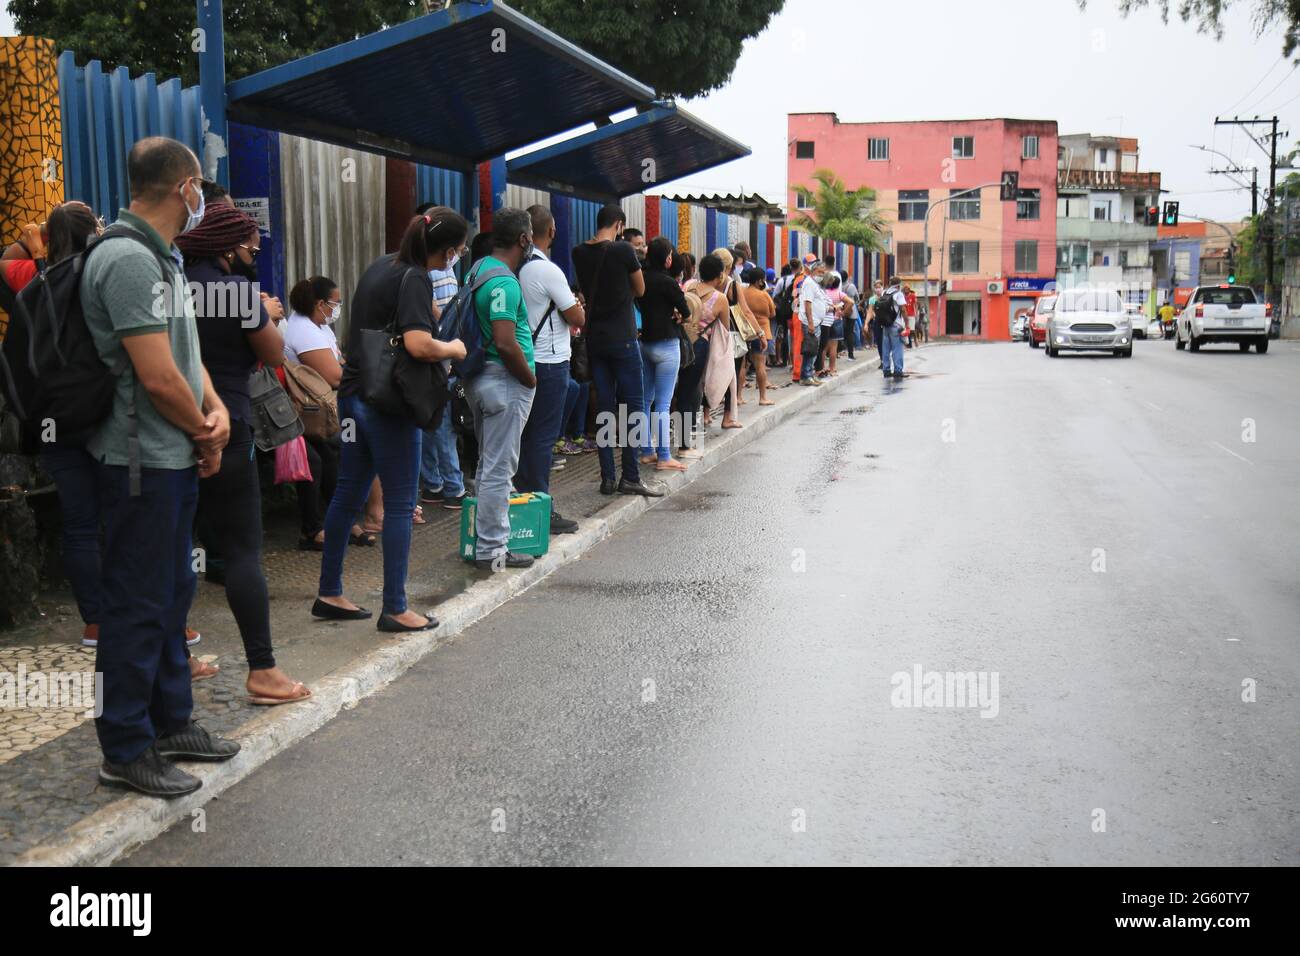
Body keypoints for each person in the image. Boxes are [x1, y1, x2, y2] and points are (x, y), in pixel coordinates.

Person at [79, 136, 240, 796]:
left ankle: (172, 721)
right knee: (137, 606)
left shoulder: (164, 257)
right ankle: (124, 746)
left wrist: (216, 407)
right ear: (184, 187)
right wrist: (205, 430)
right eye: (200, 185)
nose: (202, 197)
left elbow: (184, 356)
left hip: (171, 454)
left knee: (174, 593)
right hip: (138, 461)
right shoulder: (125, 261)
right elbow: (154, 377)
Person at [177, 201, 309, 706]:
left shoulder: (168, 286)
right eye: (251, 242)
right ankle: (263, 670)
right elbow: (274, 354)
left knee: (179, 545)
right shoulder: (236, 293)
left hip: (172, 430)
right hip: (227, 424)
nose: (255, 249)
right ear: (229, 246)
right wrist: (268, 313)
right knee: (241, 552)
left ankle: (178, 657)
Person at [314, 208, 467, 630]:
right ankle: (396, 607)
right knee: (400, 503)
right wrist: (454, 347)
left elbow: (389, 322)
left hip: (353, 396)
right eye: (459, 250)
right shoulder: (416, 277)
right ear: (451, 251)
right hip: (389, 403)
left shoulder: (383, 265)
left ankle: (330, 592)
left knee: (348, 492)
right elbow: (418, 345)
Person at [462, 207, 538, 571]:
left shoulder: (478, 270)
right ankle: (492, 550)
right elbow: (506, 342)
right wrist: (530, 378)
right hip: (504, 382)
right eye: (531, 238)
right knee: (498, 470)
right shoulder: (505, 282)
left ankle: (487, 539)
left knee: (486, 464)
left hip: (479, 380)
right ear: (524, 239)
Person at [571, 204, 662, 498]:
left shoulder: (578, 252)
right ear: (620, 225)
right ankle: (631, 476)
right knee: (634, 408)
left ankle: (608, 478)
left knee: (605, 409)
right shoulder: (623, 251)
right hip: (623, 338)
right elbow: (640, 290)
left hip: (596, 339)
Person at [515, 204, 585, 533]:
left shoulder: (518, 267)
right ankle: (540, 508)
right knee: (543, 439)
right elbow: (577, 317)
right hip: (550, 363)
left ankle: (522, 502)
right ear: (552, 232)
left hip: (525, 359)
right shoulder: (548, 270)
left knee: (526, 437)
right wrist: (574, 305)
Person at [415, 202, 468, 514]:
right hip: (439, 351)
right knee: (442, 423)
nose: (460, 252)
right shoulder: (425, 271)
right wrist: (451, 338)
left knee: (435, 423)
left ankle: (434, 483)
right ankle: (453, 487)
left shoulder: (445, 267)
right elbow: (435, 310)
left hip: (444, 351)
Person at [636, 236, 691, 472]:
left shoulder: (642, 280)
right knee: (664, 403)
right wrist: (679, 315)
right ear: (668, 259)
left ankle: (647, 451)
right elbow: (686, 311)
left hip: (645, 344)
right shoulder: (669, 283)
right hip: (668, 346)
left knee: (646, 400)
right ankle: (664, 456)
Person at [741, 265, 775, 406]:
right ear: (760, 281)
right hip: (761, 332)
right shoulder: (764, 295)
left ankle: (738, 397)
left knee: (742, 366)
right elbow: (772, 313)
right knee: (760, 365)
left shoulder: (742, 292)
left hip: (744, 331)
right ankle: (762, 398)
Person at [797, 257, 829, 386]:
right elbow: (808, 303)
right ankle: (806, 376)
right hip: (811, 322)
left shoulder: (814, 284)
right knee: (810, 349)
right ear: (814, 270)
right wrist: (810, 322)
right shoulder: (809, 283)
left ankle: (810, 374)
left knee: (814, 349)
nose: (822, 275)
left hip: (816, 322)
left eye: (823, 273)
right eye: (820, 272)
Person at [877, 275, 908, 379]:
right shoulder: (898, 294)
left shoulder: (884, 293)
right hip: (896, 325)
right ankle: (898, 371)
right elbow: (903, 309)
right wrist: (907, 324)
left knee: (886, 348)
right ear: (899, 285)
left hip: (885, 325)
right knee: (897, 348)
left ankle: (886, 370)